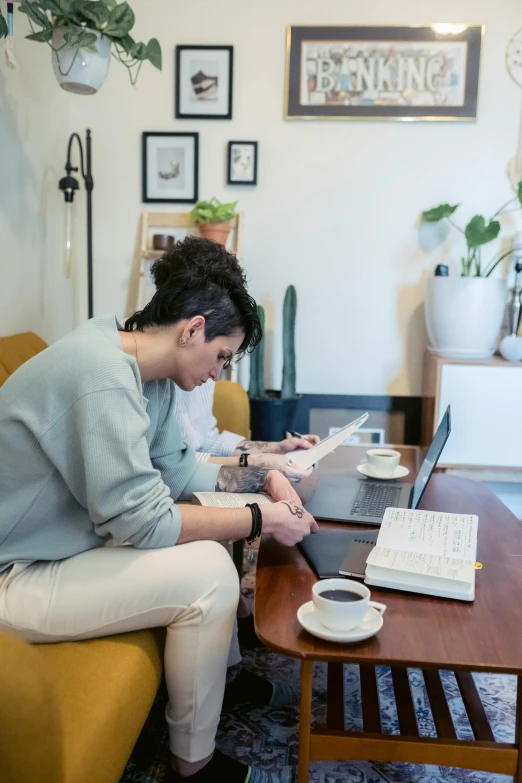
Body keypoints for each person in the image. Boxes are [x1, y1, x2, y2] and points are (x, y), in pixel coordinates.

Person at [0, 236, 318, 783]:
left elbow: (179, 474)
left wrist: (265, 481)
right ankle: (191, 765)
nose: (218, 373)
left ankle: (220, 680)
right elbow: (145, 522)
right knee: (209, 573)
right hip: (14, 575)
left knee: (212, 524)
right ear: (192, 328)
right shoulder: (98, 376)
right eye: (221, 356)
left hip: (57, 550)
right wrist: (262, 518)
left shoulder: (144, 373)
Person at [174, 380, 320, 478]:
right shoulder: (156, 384)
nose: (216, 377)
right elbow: (172, 463)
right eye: (221, 356)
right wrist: (252, 462)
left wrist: (277, 448)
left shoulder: (205, 380)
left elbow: (206, 440)